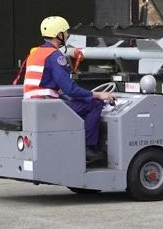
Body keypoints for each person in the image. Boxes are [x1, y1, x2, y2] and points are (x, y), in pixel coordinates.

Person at [23, 16, 116, 161]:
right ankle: (87, 149)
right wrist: (98, 95)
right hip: (48, 108)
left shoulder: (35, 53)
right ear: (58, 35)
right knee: (94, 104)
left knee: (80, 102)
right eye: (66, 32)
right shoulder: (55, 56)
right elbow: (70, 89)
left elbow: (50, 85)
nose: (67, 35)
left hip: (34, 107)